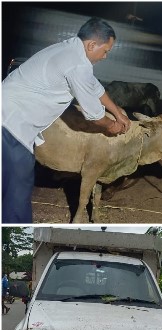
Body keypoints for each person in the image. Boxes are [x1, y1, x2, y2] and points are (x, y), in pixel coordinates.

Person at [2, 17, 131, 224]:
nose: (105, 56)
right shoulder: (77, 64)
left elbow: (95, 87)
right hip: (11, 125)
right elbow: (94, 115)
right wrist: (112, 126)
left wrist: (118, 112)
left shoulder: (70, 50)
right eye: (105, 50)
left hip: (10, 118)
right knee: (17, 195)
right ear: (91, 45)